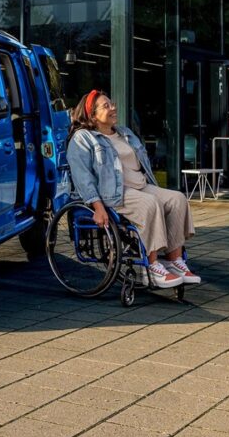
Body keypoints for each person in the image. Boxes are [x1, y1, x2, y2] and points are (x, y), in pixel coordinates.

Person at [66, 90, 200, 289]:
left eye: (112, 103)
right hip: (113, 192)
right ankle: (152, 267)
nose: (113, 108)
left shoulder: (124, 132)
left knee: (177, 199)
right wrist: (98, 206)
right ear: (92, 115)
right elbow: (82, 176)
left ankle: (174, 261)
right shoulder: (83, 138)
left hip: (141, 185)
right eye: (106, 106)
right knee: (150, 204)